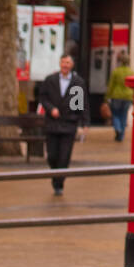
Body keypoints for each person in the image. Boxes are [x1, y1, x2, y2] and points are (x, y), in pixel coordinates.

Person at [38, 52, 90, 194]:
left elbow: (81, 104)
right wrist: (51, 109)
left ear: (72, 65)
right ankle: (55, 176)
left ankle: (59, 184)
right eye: (63, 62)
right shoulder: (50, 80)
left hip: (68, 125)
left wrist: (85, 122)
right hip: (52, 124)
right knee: (52, 156)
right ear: (60, 64)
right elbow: (43, 97)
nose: (65, 65)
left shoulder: (78, 82)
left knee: (64, 156)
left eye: (68, 63)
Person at [105, 56, 134, 143]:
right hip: (128, 96)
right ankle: (121, 135)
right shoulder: (131, 72)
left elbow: (111, 85)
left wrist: (107, 96)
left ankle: (117, 128)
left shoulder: (116, 71)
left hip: (116, 96)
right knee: (124, 115)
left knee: (115, 114)